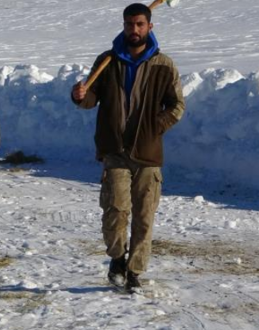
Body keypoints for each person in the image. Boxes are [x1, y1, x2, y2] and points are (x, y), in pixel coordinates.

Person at [71, 2, 185, 294]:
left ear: (149, 26)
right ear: (123, 25)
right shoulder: (108, 61)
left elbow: (177, 106)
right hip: (115, 150)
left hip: (148, 155)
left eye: (139, 24)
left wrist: (153, 128)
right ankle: (117, 258)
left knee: (145, 216)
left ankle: (135, 271)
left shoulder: (164, 65)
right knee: (115, 210)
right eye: (128, 24)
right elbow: (90, 99)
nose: (133, 30)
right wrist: (79, 95)